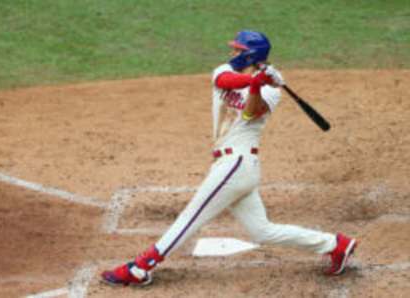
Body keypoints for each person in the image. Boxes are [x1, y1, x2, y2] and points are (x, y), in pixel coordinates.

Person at [101, 30, 357, 286]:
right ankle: (335, 245)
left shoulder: (272, 92)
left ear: (250, 54)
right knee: (262, 231)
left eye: (238, 50)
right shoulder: (223, 71)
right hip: (233, 165)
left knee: (191, 216)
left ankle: (140, 268)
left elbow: (249, 113)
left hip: (236, 165)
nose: (232, 53)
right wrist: (255, 79)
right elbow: (224, 80)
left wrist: (259, 85)